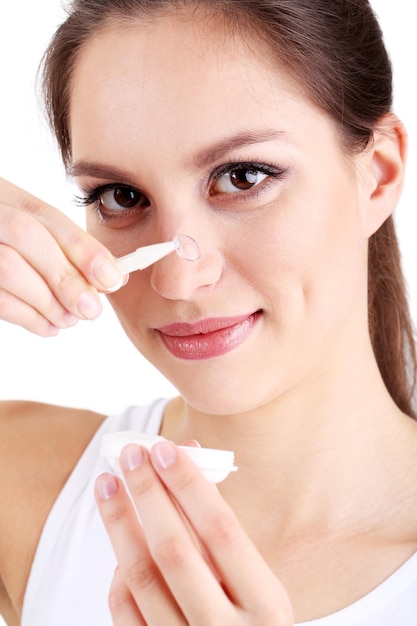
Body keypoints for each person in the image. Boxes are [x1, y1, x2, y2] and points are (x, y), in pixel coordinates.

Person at [1, 0, 417, 624]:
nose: (177, 277)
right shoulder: (22, 488)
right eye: (121, 196)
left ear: (377, 176)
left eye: (244, 177)